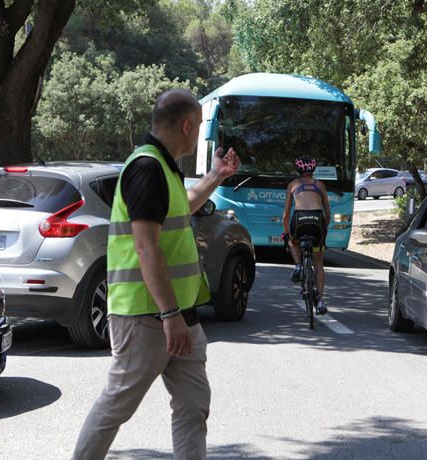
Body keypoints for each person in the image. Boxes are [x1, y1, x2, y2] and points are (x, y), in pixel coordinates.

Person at [72, 89, 240, 460]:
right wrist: (169, 315)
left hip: (178, 317)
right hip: (148, 317)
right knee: (117, 406)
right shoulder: (147, 167)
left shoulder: (163, 167)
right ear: (186, 125)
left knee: (193, 406)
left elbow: (183, 208)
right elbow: (147, 246)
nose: (198, 134)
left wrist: (215, 176)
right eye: (197, 127)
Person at [282, 154, 331, 315]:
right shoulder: (320, 185)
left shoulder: (293, 185)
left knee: (292, 240)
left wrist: (286, 233)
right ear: (313, 169)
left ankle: (297, 265)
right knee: (318, 264)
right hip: (317, 222)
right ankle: (321, 301)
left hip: (299, 220)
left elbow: (286, 215)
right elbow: (328, 213)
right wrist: (324, 230)